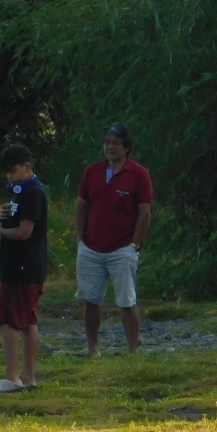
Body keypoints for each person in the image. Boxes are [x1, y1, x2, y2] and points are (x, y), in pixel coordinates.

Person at [75, 122, 152, 356]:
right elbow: (81, 206)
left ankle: (132, 350)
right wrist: (81, 239)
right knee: (90, 300)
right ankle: (93, 348)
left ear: (126, 147)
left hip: (122, 247)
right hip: (91, 247)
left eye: (115, 142)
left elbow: (144, 212)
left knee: (127, 301)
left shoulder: (138, 174)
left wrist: (134, 244)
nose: (110, 146)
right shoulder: (92, 171)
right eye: (107, 142)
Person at [0, 144, 48, 393]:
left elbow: (25, 232)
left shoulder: (33, 193)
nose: (10, 177)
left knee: (7, 320)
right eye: (7, 174)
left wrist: (0, 229)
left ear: (27, 167)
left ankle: (12, 376)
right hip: (28, 268)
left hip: (21, 269)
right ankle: (28, 376)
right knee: (28, 321)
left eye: (13, 172)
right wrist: (4, 214)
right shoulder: (22, 193)